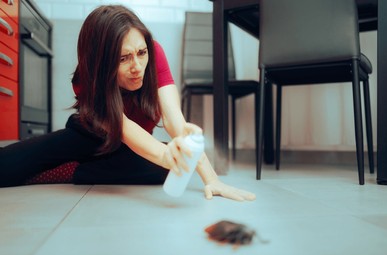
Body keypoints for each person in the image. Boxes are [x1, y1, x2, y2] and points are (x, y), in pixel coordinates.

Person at [0, 5, 255, 202]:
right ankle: (57, 164)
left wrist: (210, 178)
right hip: (90, 133)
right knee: (9, 166)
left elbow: (174, 120)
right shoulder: (87, 77)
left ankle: (69, 171)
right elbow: (123, 128)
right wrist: (165, 154)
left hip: (129, 146)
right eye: (123, 58)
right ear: (102, 62)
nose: (137, 67)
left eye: (141, 53)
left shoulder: (154, 55)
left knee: (165, 169)